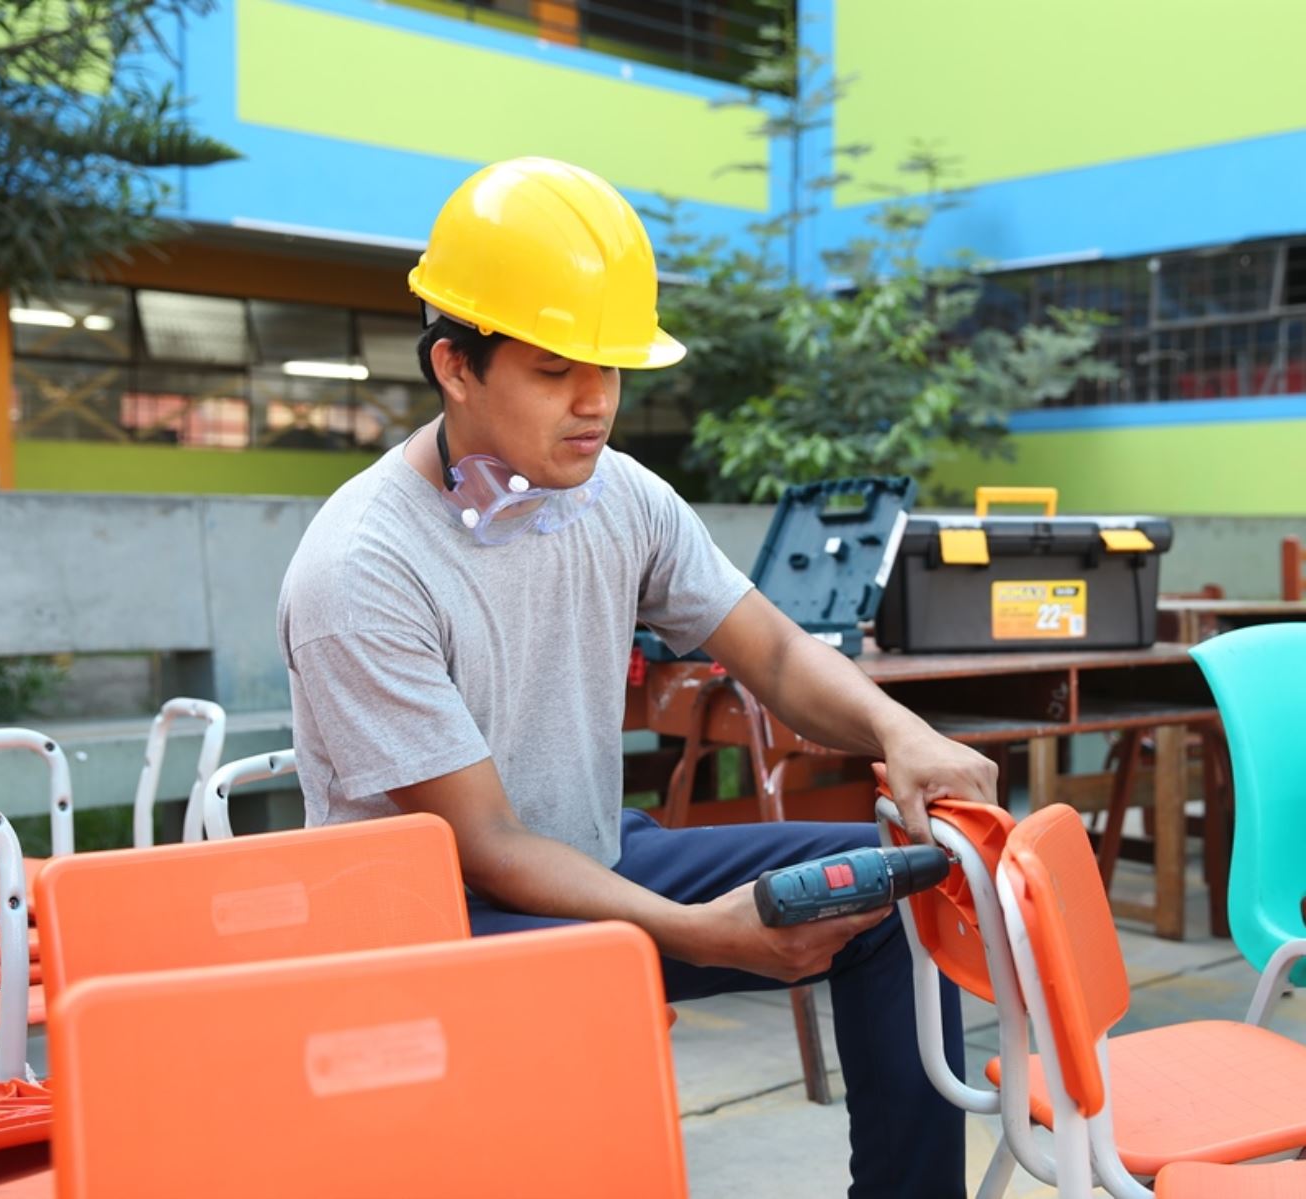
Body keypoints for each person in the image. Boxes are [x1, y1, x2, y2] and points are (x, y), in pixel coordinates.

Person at [277, 156, 996, 1198]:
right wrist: (706, 933)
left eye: (612, 367)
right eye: (556, 367)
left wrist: (901, 733)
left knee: (893, 884)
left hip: (586, 855)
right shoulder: (362, 570)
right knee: (595, 1038)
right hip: (430, 921)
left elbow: (780, 654)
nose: (597, 401)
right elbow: (482, 845)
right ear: (455, 366)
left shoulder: (618, 495)